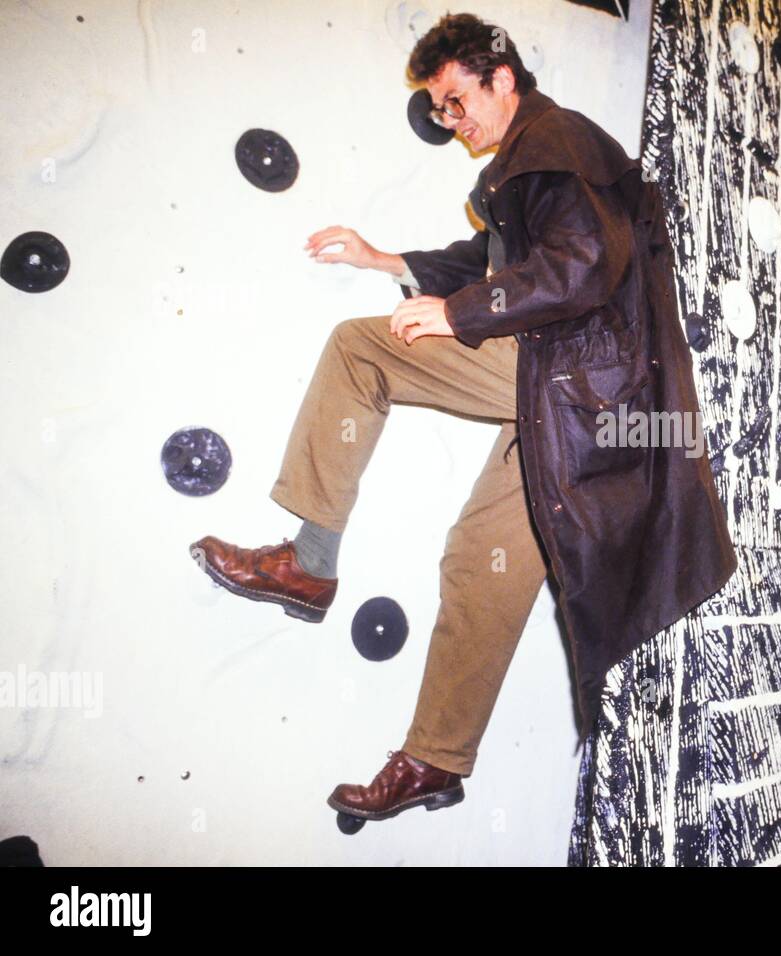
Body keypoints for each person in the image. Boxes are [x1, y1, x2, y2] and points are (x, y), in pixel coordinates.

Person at [190, 13, 736, 827]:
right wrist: (390, 264)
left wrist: (463, 313)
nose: (453, 123)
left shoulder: (554, 142)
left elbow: (583, 265)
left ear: (501, 78)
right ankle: (438, 759)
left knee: (358, 352)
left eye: (455, 100)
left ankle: (309, 563)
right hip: (575, 407)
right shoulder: (536, 165)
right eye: (440, 110)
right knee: (480, 559)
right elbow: (499, 264)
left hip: (569, 371)